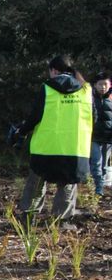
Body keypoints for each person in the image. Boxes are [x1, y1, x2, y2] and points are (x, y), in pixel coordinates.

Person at [16, 54, 93, 222]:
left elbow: (35, 116)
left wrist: (21, 131)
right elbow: (94, 116)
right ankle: (62, 220)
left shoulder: (47, 88)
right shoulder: (86, 90)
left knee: (36, 183)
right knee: (67, 185)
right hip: (75, 147)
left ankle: (29, 216)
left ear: (54, 70)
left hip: (46, 146)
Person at [90, 72, 111, 198]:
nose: (103, 87)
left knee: (104, 164)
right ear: (95, 85)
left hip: (108, 138)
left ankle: (100, 187)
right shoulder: (89, 98)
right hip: (94, 136)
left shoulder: (111, 98)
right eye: (100, 84)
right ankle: (97, 187)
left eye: (105, 84)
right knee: (96, 162)